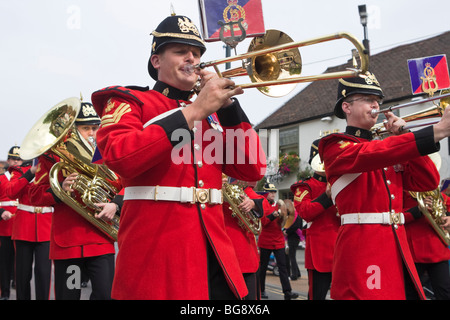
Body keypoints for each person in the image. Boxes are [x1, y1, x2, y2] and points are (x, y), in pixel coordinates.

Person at [90, 14, 266, 300]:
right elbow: (121, 157)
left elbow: (252, 167)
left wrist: (229, 108)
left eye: (196, 53)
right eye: (180, 51)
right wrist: (195, 111)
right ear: (156, 60)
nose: (192, 58)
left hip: (216, 252)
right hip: (157, 253)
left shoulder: (213, 116)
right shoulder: (129, 101)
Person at [318, 71, 450, 300]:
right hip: (363, 246)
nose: (376, 106)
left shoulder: (387, 149)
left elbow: (427, 181)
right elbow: (371, 154)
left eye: (377, 101)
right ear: (347, 107)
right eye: (368, 100)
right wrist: (436, 132)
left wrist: (405, 133)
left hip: (395, 245)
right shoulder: (335, 145)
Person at [28, 102, 119, 300]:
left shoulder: (107, 154)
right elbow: (34, 195)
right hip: (69, 244)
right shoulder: (52, 158)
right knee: (70, 295)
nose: (91, 133)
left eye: (95, 128)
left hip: (100, 239)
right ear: (72, 130)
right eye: (85, 128)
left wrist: (116, 203)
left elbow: (122, 184)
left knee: (105, 294)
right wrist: (59, 188)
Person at [291, 139, 340, 300]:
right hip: (321, 250)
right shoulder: (305, 186)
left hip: (342, 246)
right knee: (317, 295)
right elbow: (305, 212)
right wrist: (326, 197)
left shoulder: (341, 183)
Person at [403, 189, 450, 299]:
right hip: (412, 252)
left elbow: (446, 203)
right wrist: (419, 209)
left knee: (445, 293)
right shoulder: (403, 192)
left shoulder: (434, 192)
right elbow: (396, 216)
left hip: (438, 250)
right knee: (411, 293)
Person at [222, 176, 264, 300]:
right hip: (219, 256)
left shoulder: (240, 188)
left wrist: (253, 204)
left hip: (243, 256)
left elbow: (264, 206)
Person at [258, 183, 298, 300]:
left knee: (283, 267)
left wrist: (285, 214)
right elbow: (263, 222)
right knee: (263, 267)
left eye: (274, 192)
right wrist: (273, 215)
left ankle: (287, 292)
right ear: (265, 193)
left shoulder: (279, 206)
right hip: (265, 240)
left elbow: (286, 220)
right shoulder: (262, 204)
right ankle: (261, 290)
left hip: (278, 240)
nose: (273, 194)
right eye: (270, 192)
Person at [0, 147, 21, 299]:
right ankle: (5, 292)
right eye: (14, 159)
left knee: (20, 262)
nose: (16, 162)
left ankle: (17, 283)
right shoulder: (1, 178)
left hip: (20, 224)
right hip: (4, 225)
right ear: (8, 161)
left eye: (19, 159)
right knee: (4, 262)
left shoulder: (24, 177)